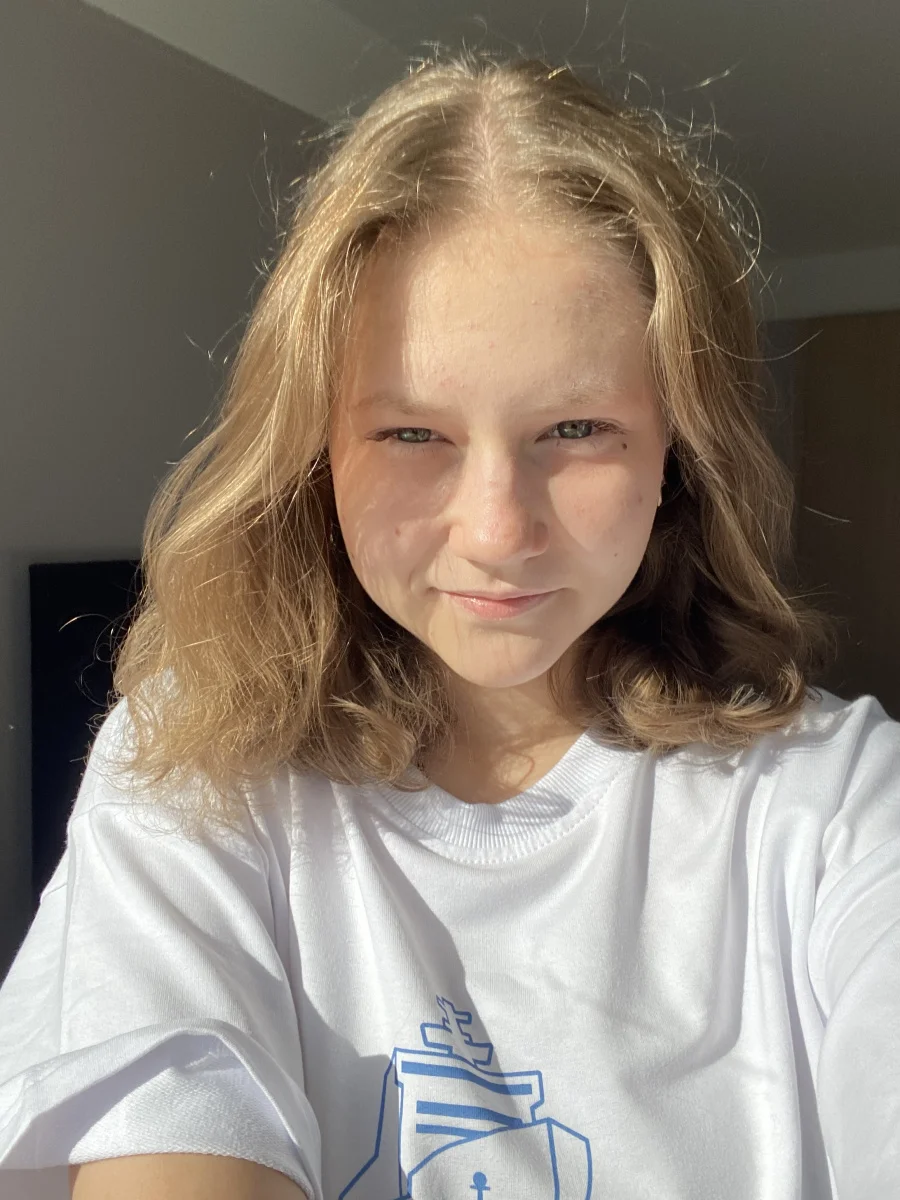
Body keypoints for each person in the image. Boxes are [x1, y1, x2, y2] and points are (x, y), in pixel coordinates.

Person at [1, 47, 898, 1200]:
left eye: (576, 429)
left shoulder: (835, 808)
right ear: (314, 447)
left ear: (678, 446)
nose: (496, 531)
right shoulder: (193, 769)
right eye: (413, 435)